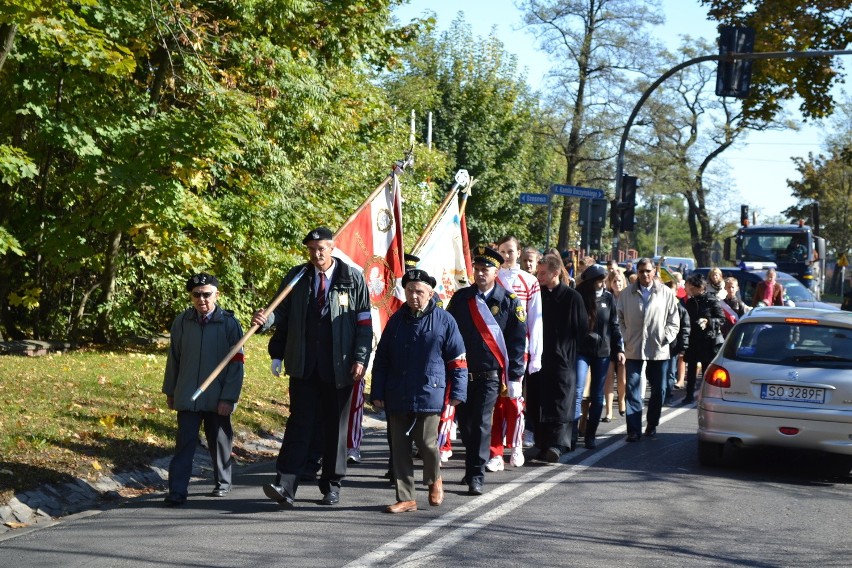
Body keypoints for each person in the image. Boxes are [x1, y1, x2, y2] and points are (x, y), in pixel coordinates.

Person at [253, 227, 373, 508]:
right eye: (311, 249)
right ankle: (285, 485)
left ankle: (331, 485)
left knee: (335, 428)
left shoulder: (352, 278)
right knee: (299, 424)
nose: (316, 254)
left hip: (339, 368)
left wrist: (360, 358)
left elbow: (364, 325)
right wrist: (265, 321)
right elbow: (280, 313)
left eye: (321, 249)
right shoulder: (298, 276)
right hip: (304, 365)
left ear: (332, 248)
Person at [371, 268, 468, 513]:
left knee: (427, 444)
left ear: (430, 293)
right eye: (410, 291)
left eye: (420, 291)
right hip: (398, 391)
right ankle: (406, 498)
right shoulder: (396, 320)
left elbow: (458, 359)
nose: (414, 296)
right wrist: (378, 392)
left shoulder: (445, 320)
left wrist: (458, 391)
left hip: (430, 391)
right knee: (400, 447)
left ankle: (434, 479)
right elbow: (382, 358)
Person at [445, 245, 526, 496]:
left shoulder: (509, 302)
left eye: (485, 270)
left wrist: (514, 377)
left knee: (481, 423)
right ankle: (471, 469)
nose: (480, 274)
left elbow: (516, 342)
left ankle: (477, 475)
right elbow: (448, 332)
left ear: (496, 271)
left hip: (490, 375)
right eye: (477, 269)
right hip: (462, 374)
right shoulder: (461, 299)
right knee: (467, 426)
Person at [162, 273, 245, 506]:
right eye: (196, 295)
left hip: (218, 395)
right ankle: (177, 491)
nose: (202, 299)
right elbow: (174, 359)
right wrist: (171, 391)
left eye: (207, 294)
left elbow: (237, 365)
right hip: (188, 395)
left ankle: (223, 482)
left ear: (216, 294)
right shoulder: (182, 321)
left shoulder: (229, 323)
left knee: (219, 440)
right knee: (184, 444)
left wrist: (228, 397)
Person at [485, 236, 543, 471]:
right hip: (494, 350)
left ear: (518, 252)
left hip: (519, 351)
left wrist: (536, 354)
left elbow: (535, 319)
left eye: (510, 251)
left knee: (514, 401)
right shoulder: (493, 278)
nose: (506, 256)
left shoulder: (529, 281)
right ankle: (495, 452)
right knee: (495, 403)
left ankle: (516, 445)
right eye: (502, 252)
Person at [527, 254, 587, 460]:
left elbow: (581, 330)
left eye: (542, 273)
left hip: (562, 360)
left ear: (555, 272)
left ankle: (558, 444)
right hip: (539, 359)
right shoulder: (537, 295)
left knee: (560, 402)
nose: (539, 276)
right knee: (539, 400)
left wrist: (568, 353)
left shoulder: (572, 297)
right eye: (538, 272)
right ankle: (541, 443)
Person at [616, 258, 679, 442]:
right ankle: (633, 430)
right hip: (634, 346)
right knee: (633, 388)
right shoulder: (627, 293)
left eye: (648, 270)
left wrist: (665, 337)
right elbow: (619, 317)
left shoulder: (665, 293)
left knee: (658, 389)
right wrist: (626, 335)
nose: (645, 274)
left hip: (658, 348)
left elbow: (674, 321)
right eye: (641, 270)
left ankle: (652, 423)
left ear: (654, 272)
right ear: (637, 272)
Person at [575, 264, 623, 449]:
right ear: (590, 281)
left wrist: (619, 348)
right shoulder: (579, 295)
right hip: (581, 350)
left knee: (597, 395)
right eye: (598, 281)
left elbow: (614, 324)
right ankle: (572, 433)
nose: (602, 284)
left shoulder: (609, 298)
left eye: (604, 281)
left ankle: (590, 435)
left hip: (602, 352)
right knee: (578, 391)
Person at [682, 273, 725, 405]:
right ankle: (689, 395)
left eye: (692, 287)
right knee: (692, 370)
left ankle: (707, 395)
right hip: (693, 339)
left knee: (707, 370)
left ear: (699, 287)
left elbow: (721, 319)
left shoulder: (711, 300)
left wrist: (708, 321)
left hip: (707, 340)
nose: (689, 289)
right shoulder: (689, 302)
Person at [603, 269, 627, 421]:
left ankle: (622, 400)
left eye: (619, 281)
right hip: (609, 340)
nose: (617, 284)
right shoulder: (607, 298)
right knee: (609, 376)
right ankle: (609, 411)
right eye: (614, 281)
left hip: (625, 340)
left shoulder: (628, 297)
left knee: (623, 377)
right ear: (610, 283)